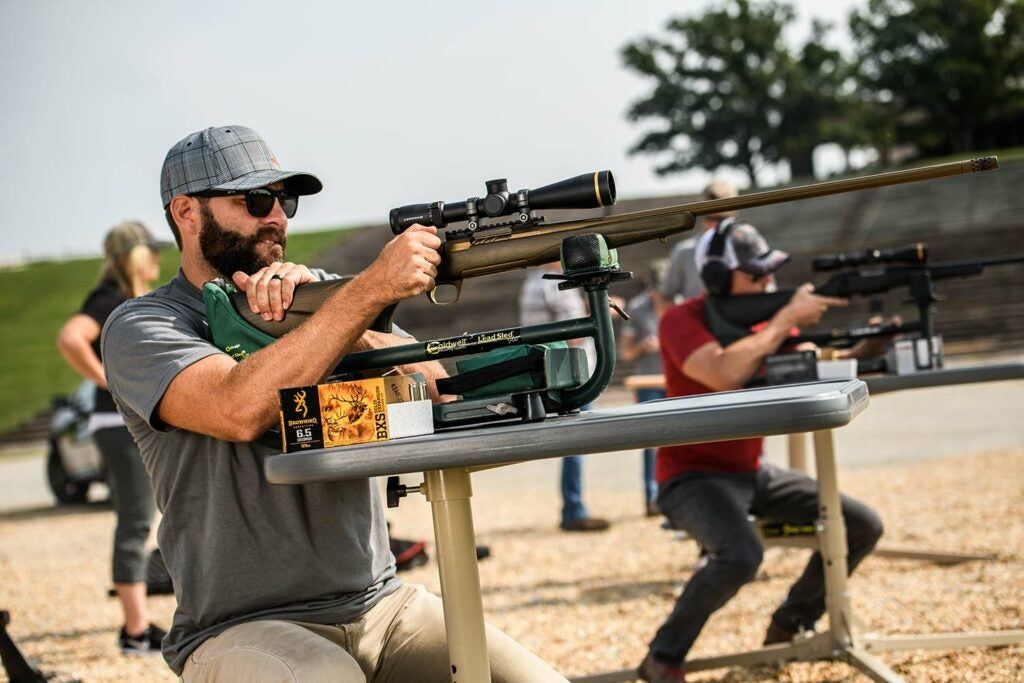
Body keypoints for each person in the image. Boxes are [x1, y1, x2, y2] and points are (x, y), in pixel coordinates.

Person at [101, 125, 566, 682]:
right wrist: (365, 293)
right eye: (254, 200)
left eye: (284, 199)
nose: (277, 216)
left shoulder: (323, 298)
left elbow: (441, 391)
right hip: (240, 625)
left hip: (381, 605)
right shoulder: (144, 324)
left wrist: (343, 319)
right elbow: (237, 408)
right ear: (186, 213)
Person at [637, 222, 885, 682]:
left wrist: (866, 346)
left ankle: (788, 625)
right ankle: (661, 658)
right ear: (716, 280)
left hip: (750, 473)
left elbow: (813, 361)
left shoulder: (759, 321)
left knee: (862, 525)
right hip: (689, 477)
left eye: (769, 275)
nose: (768, 285)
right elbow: (725, 373)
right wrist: (784, 318)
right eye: (757, 276)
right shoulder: (680, 320)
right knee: (740, 556)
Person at [56, 220, 171, 654]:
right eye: (152, 251)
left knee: (144, 518)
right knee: (136, 522)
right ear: (134, 256)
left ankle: (140, 624)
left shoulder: (126, 299)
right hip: (117, 428)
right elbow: (70, 338)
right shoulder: (108, 298)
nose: (159, 259)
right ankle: (136, 631)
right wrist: (110, 381)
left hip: (124, 426)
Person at [519, 262, 611, 532]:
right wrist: (601, 311)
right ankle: (574, 509)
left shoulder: (533, 281)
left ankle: (573, 506)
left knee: (574, 443)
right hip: (573, 371)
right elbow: (576, 335)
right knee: (576, 442)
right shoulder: (556, 283)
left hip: (551, 367)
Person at [618, 259, 671, 517]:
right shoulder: (638, 308)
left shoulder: (679, 303)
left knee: (679, 438)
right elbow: (626, 353)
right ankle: (652, 497)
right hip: (647, 380)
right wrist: (643, 347)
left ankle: (676, 494)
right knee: (651, 442)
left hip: (673, 379)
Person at [659, 180, 739, 304]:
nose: (718, 225)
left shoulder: (746, 246)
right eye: (712, 218)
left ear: (734, 214)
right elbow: (665, 298)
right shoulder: (684, 251)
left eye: (723, 219)